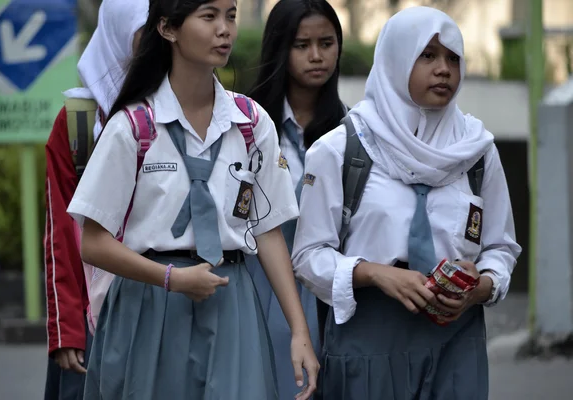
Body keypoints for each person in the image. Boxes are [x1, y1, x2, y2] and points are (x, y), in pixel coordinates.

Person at [66, 0, 319, 399]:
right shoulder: (132, 126)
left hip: (231, 300)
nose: (226, 29)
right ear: (167, 29)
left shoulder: (251, 122)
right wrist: (172, 279)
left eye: (231, 16)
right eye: (209, 16)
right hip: (150, 304)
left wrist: (299, 331)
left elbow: (269, 233)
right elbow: (94, 243)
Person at [292, 6, 522, 400]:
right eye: (427, 55)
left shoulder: (477, 152)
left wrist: (481, 286)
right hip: (369, 340)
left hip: (456, 340)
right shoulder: (341, 149)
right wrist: (375, 273)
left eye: (453, 57)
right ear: (395, 60)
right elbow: (308, 256)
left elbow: (501, 247)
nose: (444, 69)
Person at [44, 1, 148, 399]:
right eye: (147, 29)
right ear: (120, 31)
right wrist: (67, 327)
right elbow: (62, 234)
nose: (159, 39)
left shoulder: (192, 110)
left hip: (173, 305)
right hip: (94, 322)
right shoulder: (79, 123)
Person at [246, 1, 345, 397]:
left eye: (327, 42)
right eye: (302, 45)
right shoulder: (248, 124)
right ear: (279, 48)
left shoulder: (354, 130)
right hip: (262, 282)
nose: (317, 56)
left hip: (331, 289)